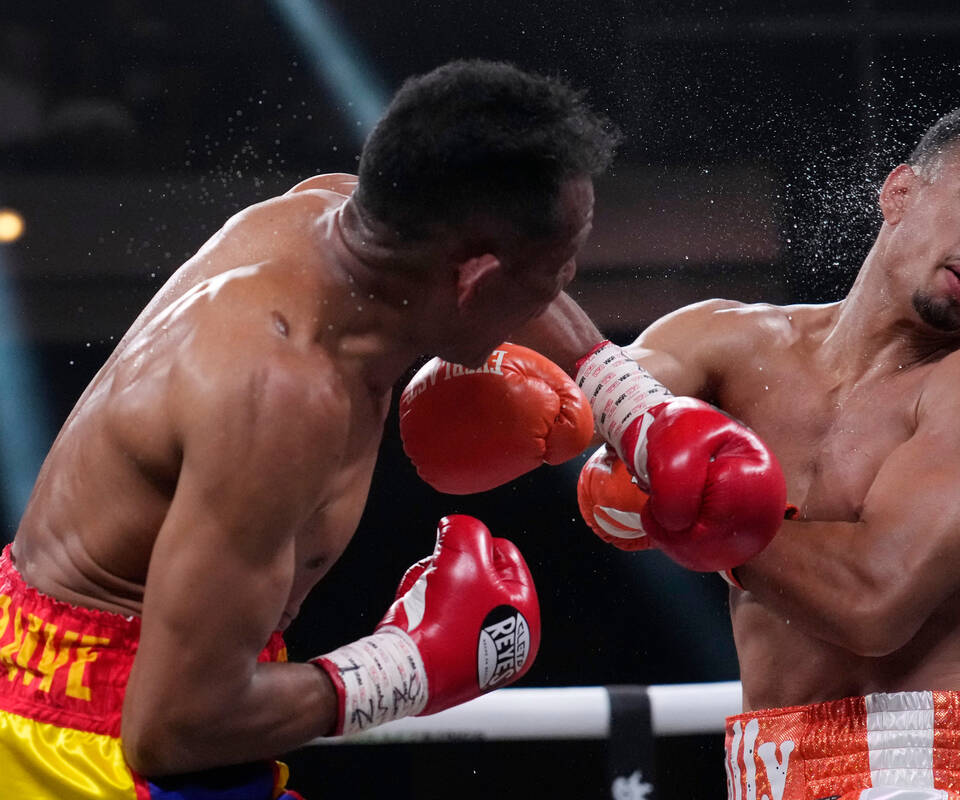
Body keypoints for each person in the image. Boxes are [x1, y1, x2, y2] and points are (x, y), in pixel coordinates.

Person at [0, 59, 619, 799]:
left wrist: (633, 403)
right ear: (476, 279)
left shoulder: (330, 212)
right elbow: (175, 728)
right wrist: (410, 666)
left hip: (99, 684)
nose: (569, 279)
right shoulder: (282, 396)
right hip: (96, 751)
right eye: (558, 265)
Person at [568, 106, 960, 799]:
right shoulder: (727, 339)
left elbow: (871, 601)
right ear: (899, 192)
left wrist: (683, 505)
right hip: (760, 772)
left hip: (912, 772)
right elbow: (583, 402)